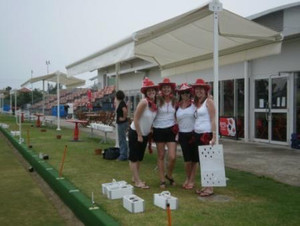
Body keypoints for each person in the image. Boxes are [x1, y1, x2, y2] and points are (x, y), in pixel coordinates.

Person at [128, 77, 158, 189]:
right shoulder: (144, 102)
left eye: (153, 90)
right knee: (134, 158)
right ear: (146, 92)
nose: (151, 92)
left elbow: (149, 119)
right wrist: (139, 134)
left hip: (144, 134)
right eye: (149, 91)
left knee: (139, 158)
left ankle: (134, 177)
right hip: (136, 132)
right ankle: (137, 181)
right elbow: (135, 118)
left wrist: (149, 129)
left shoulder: (153, 104)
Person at [192, 78, 217, 197]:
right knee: (202, 161)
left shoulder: (209, 102)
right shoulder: (198, 102)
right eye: (197, 89)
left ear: (205, 90)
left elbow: (213, 119)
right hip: (197, 133)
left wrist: (214, 136)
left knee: (208, 161)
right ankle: (205, 185)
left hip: (206, 134)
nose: (199, 91)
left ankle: (210, 188)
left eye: (201, 89)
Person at [153, 78, 177, 188]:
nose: (166, 89)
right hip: (158, 129)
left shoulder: (175, 100)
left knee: (172, 156)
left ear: (171, 89)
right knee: (161, 155)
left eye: (168, 87)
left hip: (171, 129)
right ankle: (162, 179)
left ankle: (169, 175)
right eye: (164, 87)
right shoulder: (156, 99)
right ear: (161, 89)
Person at [175, 83, 197, 190]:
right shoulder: (177, 106)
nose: (185, 94)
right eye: (183, 93)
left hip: (193, 134)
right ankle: (188, 178)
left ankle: (191, 180)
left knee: (194, 160)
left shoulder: (195, 104)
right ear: (180, 94)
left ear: (190, 93)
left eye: (187, 92)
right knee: (187, 160)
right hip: (182, 134)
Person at [115, 90, 129, 161]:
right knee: (123, 139)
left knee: (122, 139)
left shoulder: (122, 104)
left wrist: (123, 118)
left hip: (122, 123)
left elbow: (125, 111)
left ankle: (123, 155)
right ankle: (125, 154)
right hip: (122, 123)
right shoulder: (121, 103)